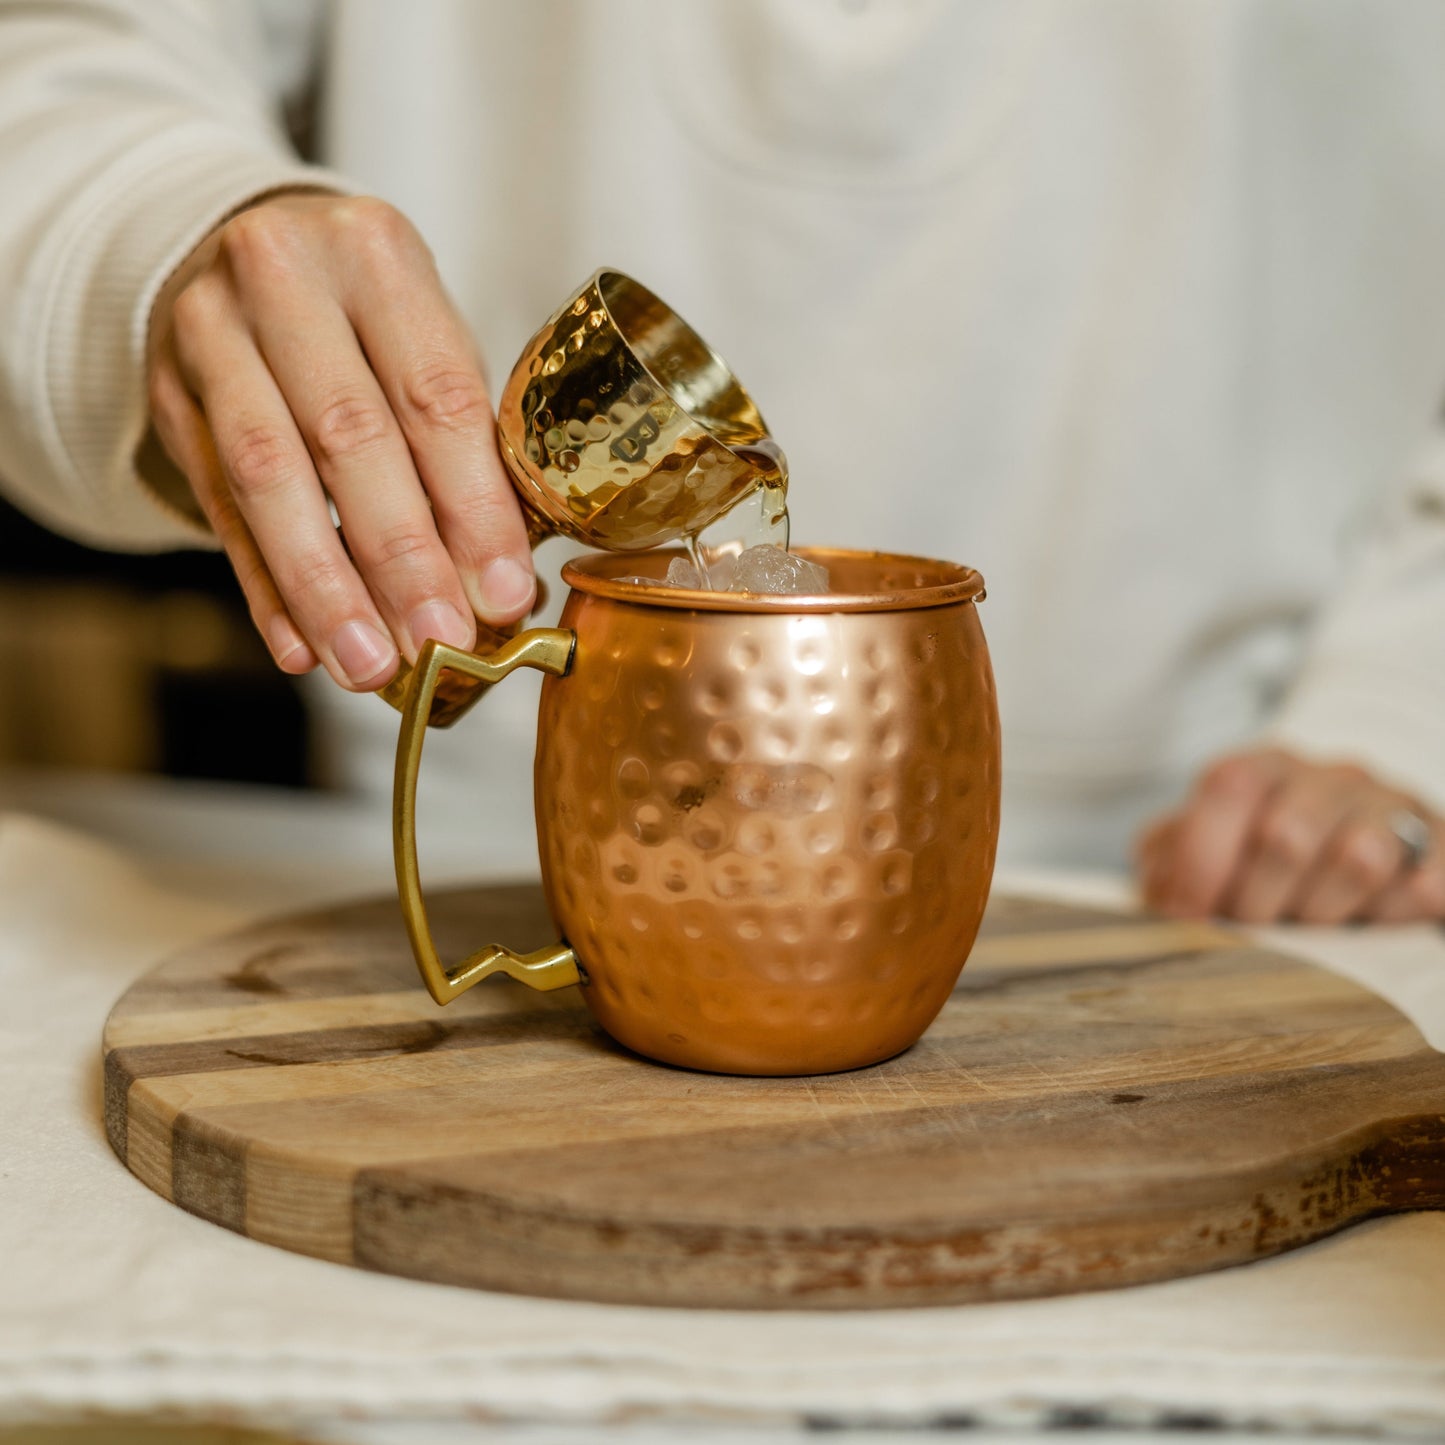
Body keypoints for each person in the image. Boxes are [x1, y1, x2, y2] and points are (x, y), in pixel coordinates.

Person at [2, 0, 1444, 924]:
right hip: (460, 860)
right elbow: (65, 58)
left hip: (1237, 884)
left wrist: (1405, 708)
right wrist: (159, 232)